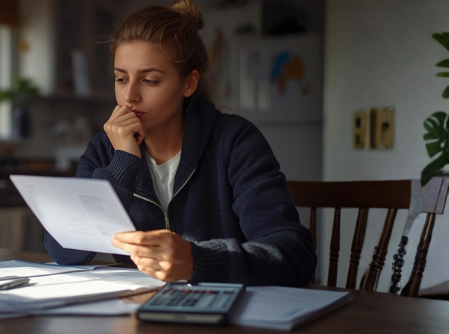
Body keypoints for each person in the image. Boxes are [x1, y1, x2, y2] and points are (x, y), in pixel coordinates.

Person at [44, 0, 316, 287]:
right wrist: (123, 162)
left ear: (189, 84)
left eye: (149, 80)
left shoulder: (234, 142)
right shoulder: (104, 150)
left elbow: (293, 255)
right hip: (138, 313)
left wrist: (198, 261)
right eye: (121, 78)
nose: (129, 96)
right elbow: (62, 249)